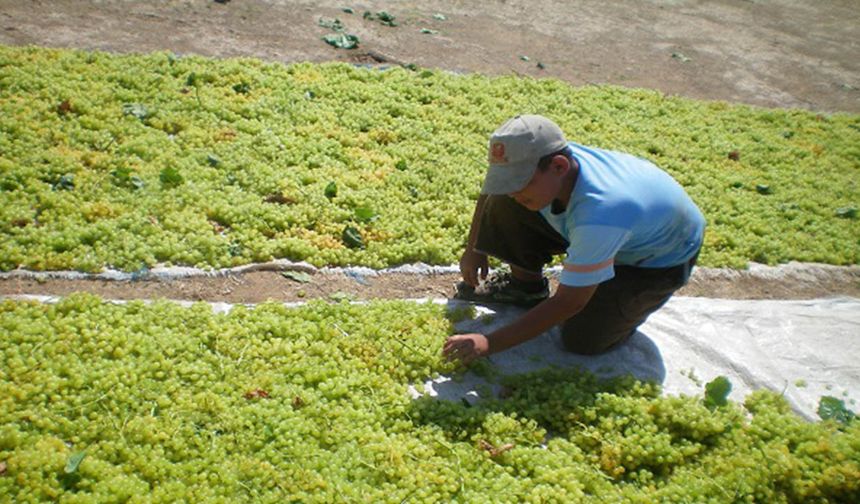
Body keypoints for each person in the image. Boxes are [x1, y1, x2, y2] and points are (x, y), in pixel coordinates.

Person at [442, 114, 705, 364]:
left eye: (519, 181)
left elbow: (569, 302)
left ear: (559, 166)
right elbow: (494, 191)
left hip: (656, 260)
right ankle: (526, 289)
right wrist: (474, 248)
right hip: (609, 230)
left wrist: (488, 342)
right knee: (507, 202)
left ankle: (621, 302)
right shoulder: (547, 163)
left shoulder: (601, 213)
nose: (512, 190)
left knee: (583, 341)